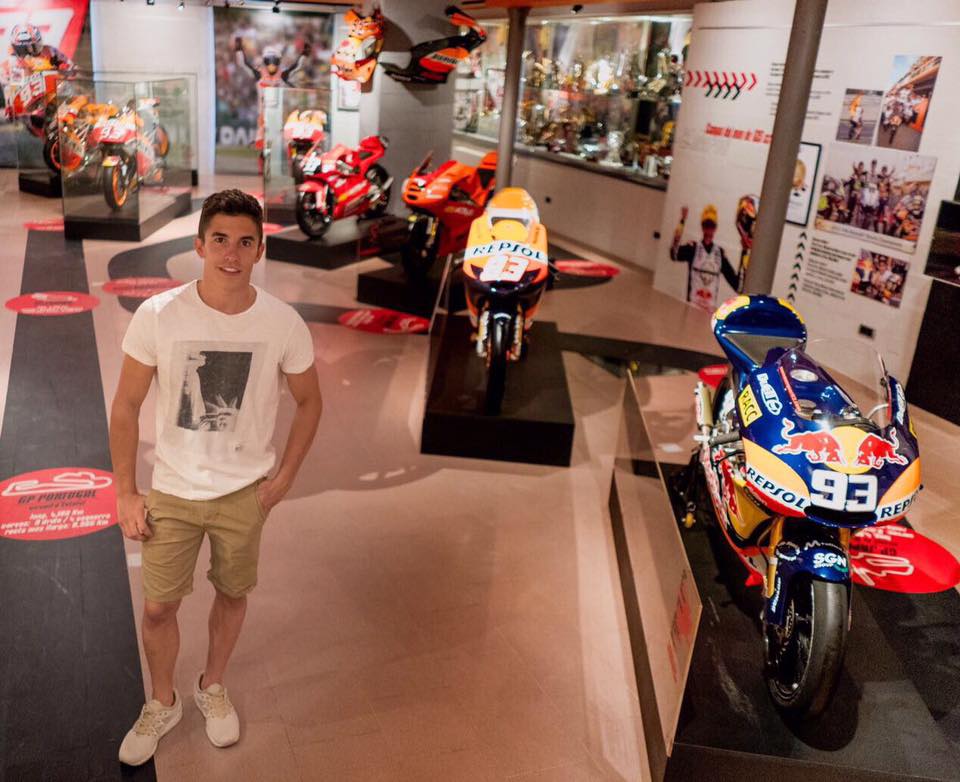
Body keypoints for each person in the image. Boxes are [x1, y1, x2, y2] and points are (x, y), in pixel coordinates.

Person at [111, 190, 323, 766]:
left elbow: (310, 403)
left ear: (260, 249)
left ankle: (211, 685)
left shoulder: (282, 322)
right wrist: (126, 490)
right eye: (221, 240)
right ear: (200, 244)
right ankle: (163, 701)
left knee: (232, 594)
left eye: (245, 241)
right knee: (158, 607)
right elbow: (126, 405)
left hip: (243, 492)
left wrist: (281, 482)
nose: (232, 253)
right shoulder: (160, 315)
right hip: (174, 489)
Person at [234, 38, 311, 167]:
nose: (271, 65)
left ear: (278, 62)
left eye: (274, 62)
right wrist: (239, 49)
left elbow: (297, 66)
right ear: (264, 61)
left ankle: (289, 167)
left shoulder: (283, 75)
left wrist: (304, 54)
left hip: (281, 116)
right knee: (263, 146)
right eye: (268, 62)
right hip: (263, 117)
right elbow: (244, 64)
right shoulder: (259, 74)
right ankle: (263, 169)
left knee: (286, 143)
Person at [670, 204, 740, 311]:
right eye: (706, 225)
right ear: (702, 227)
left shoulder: (720, 254)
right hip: (691, 306)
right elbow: (674, 254)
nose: (709, 229)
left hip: (709, 310)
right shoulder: (693, 248)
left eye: (711, 225)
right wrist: (682, 221)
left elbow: (736, 283)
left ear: (715, 228)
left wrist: (745, 251)